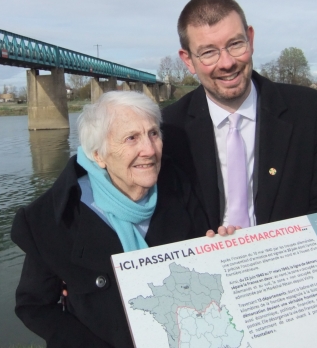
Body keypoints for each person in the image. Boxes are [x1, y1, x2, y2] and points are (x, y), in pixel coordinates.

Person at [12, 91, 208, 347]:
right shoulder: (55, 217)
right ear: (98, 155)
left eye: (153, 133)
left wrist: (217, 249)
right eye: (131, 138)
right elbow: (34, 306)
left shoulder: (180, 188)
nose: (148, 150)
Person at [162, 0, 317, 234]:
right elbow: (164, 220)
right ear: (188, 60)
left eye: (235, 44)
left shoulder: (308, 110)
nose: (226, 63)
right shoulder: (168, 129)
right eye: (208, 52)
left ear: (250, 39)